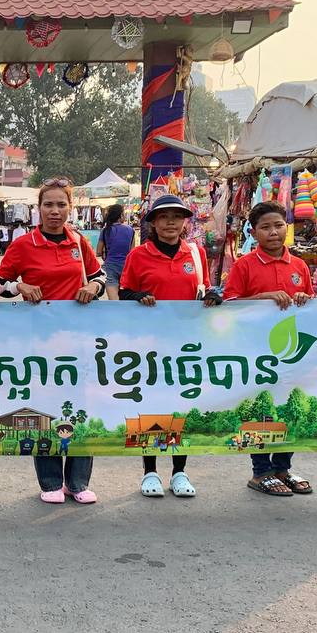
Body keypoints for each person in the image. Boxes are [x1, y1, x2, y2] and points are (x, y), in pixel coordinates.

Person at [0, 177, 106, 505]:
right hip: (39, 345)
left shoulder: (79, 242)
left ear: (70, 208)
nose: (54, 211)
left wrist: (94, 287)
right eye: (48, 204)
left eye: (61, 204)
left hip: (77, 342)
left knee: (80, 409)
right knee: (44, 409)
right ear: (38, 208)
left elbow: (99, 276)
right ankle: (51, 482)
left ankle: (78, 482)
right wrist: (19, 287)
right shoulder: (23, 245)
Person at [120, 193, 221, 500]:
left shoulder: (196, 253)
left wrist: (212, 297)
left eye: (177, 217)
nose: (170, 223)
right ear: (153, 223)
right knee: (151, 407)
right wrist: (138, 297)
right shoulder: (139, 255)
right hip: (149, 347)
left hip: (187, 346)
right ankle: (149, 471)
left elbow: (203, 289)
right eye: (163, 217)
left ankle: (179, 471)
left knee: (183, 406)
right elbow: (124, 292)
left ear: (185, 222)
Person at [223, 201, 314, 497]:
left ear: (287, 228)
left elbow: (313, 306)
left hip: (291, 353)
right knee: (261, 408)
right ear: (253, 232)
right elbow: (229, 304)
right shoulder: (244, 265)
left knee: (289, 406)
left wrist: (304, 298)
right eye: (265, 227)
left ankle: (283, 468)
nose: (273, 232)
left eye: (278, 226)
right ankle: (260, 471)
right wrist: (263, 297)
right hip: (256, 353)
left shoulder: (300, 265)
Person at [96, 204, 135, 301]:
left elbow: (98, 252)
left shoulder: (105, 230)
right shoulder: (131, 230)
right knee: (126, 299)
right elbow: (132, 252)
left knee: (114, 301)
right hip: (126, 268)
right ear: (121, 215)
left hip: (110, 268)